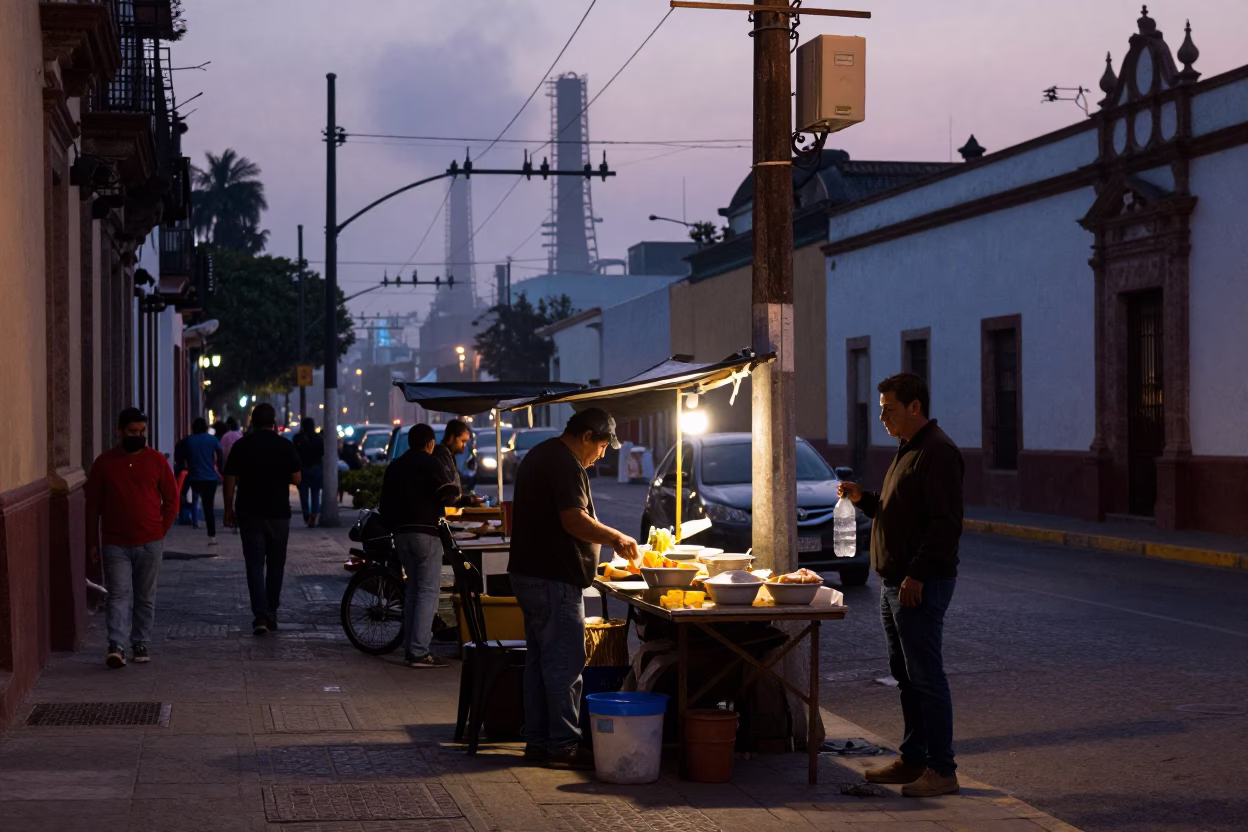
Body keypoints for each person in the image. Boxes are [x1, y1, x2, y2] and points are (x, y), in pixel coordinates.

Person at [837, 372, 964, 798]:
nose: (883, 417)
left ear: (915, 407)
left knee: (926, 677)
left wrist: (917, 575)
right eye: (880, 410)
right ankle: (914, 760)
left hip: (918, 585)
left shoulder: (938, 452)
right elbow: (898, 512)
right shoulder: (908, 450)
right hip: (894, 583)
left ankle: (942, 770)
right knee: (905, 675)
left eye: (889, 409)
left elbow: (945, 525)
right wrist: (863, 498)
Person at [507, 408, 639, 769]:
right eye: (601, 446)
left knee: (539, 664)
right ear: (586, 436)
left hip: (530, 574)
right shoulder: (563, 463)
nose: (602, 455)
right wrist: (617, 537)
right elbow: (573, 519)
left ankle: (537, 741)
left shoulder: (543, 454)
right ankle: (563, 745)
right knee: (565, 665)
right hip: (552, 578)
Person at [84, 407, 179, 668]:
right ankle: (116, 644)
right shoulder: (104, 463)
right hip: (115, 543)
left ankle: (141, 642)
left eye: (141, 431)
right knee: (117, 594)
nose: (137, 436)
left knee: (145, 596)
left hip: (150, 542)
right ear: (119, 431)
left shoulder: (157, 461)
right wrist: (92, 541)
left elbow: (172, 500)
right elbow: (93, 506)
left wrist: (161, 531)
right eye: (132, 431)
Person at [379, 423, 460, 668]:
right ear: (429, 444)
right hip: (426, 534)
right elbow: (448, 494)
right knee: (427, 593)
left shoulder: (396, 466)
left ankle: (411, 648)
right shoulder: (430, 462)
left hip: (401, 536)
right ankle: (419, 652)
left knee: (413, 591)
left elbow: (383, 505)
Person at [223, 403, 303, 636]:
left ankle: (259, 616)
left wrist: (229, 509)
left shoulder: (242, 445)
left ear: (253, 421)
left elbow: (230, 479)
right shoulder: (284, 446)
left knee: (254, 564)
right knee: (276, 565)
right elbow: (297, 479)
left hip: (249, 512)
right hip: (278, 513)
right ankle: (272, 612)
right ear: (273, 422)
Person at [185, 417, 224, 545]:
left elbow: (185, 457)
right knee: (209, 507)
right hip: (210, 477)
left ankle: (194, 521)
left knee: (194, 500)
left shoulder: (190, 441)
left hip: (195, 476)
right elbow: (220, 455)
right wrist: (219, 467)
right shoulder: (212, 440)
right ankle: (211, 535)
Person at [432, 420, 484, 507]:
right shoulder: (442, 455)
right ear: (451, 438)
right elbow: (448, 495)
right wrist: (469, 500)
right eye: (462, 441)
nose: (464, 446)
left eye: (466, 442)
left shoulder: (449, 455)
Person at [293, 416, 325, 527]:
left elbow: (295, 454)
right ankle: (314, 515)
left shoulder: (297, 438)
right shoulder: (319, 438)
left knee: (303, 493)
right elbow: (322, 453)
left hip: (303, 469)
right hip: (316, 468)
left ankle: (306, 514)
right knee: (315, 493)